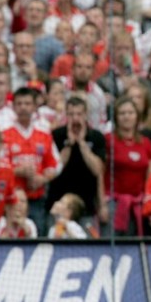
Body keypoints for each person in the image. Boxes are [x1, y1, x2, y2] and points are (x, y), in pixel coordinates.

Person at [2, 87, 61, 234]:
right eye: (19, 103)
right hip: (11, 199)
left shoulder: (44, 134)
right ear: (13, 107)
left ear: (35, 107)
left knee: (37, 238)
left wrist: (42, 178)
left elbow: (56, 164)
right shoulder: (4, 134)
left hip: (36, 198)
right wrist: (17, 171)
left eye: (27, 103)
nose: (23, 107)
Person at [47, 96, 106, 236]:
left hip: (87, 206)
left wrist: (82, 143)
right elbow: (55, 168)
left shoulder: (96, 137)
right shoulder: (56, 135)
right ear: (66, 115)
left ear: (85, 115)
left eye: (79, 114)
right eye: (71, 114)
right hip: (59, 204)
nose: (75, 118)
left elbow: (98, 170)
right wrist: (69, 144)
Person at [104, 97, 151, 236]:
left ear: (137, 116)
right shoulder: (108, 140)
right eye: (122, 113)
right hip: (113, 202)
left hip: (138, 203)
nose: (127, 117)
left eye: (130, 113)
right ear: (116, 117)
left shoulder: (146, 143)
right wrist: (101, 203)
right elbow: (100, 171)